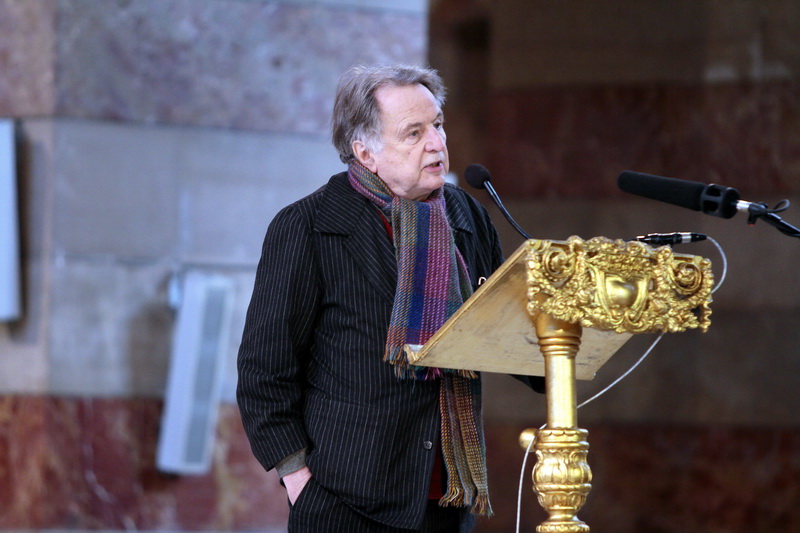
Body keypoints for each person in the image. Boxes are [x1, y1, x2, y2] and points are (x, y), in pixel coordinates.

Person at [237, 64, 543, 533]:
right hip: (345, 502)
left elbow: (502, 333)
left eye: (438, 125)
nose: (437, 143)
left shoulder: (467, 217)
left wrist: (563, 340)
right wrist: (298, 478)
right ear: (365, 152)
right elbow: (265, 371)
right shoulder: (309, 225)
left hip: (447, 498)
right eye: (413, 132)